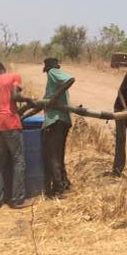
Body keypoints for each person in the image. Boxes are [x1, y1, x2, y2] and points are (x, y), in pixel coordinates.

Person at [0, 61, 34, 209]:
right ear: (3, 68)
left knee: (1, 162)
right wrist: (27, 99)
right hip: (10, 122)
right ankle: (17, 199)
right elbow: (15, 96)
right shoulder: (14, 76)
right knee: (19, 160)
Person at [42, 57, 74, 197]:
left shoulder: (53, 72)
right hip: (63, 120)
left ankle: (58, 189)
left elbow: (70, 79)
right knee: (59, 155)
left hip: (56, 121)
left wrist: (54, 97)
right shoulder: (54, 81)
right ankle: (64, 183)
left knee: (53, 155)